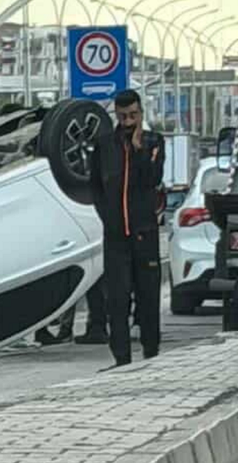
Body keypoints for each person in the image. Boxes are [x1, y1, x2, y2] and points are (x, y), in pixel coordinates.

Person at [91, 90, 165, 367]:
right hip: (115, 235)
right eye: (123, 117)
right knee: (117, 299)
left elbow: (152, 179)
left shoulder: (153, 141)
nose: (128, 121)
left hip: (144, 231)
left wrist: (139, 149)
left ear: (141, 114)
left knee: (148, 296)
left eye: (133, 115)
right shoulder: (104, 145)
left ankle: (151, 352)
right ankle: (121, 358)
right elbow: (95, 185)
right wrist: (107, 217)